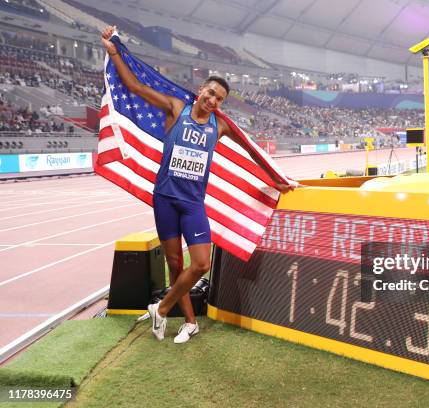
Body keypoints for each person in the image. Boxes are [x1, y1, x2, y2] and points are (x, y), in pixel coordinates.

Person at [101, 26, 293, 343]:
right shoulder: (177, 108)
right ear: (201, 89)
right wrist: (113, 51)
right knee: (176, 265)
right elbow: (133, 85)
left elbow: (251, 150)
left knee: (200, 263)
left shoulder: (221, 127)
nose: (213, 100)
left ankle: (160, 309)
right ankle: (190, 322)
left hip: (192, 203)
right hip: (164, 198)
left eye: (219, 98)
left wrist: (277, 180)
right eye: (210, 93)